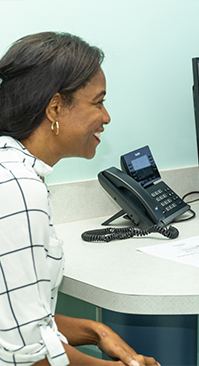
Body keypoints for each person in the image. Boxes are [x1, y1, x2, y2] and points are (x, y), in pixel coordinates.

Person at [0, 32, 159, 366]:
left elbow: (15, 322)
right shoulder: (18, 190)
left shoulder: (13, 170)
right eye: (98, 102)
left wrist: (96, 331)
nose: (106, 117)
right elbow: (25, 359)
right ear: (56, 107)